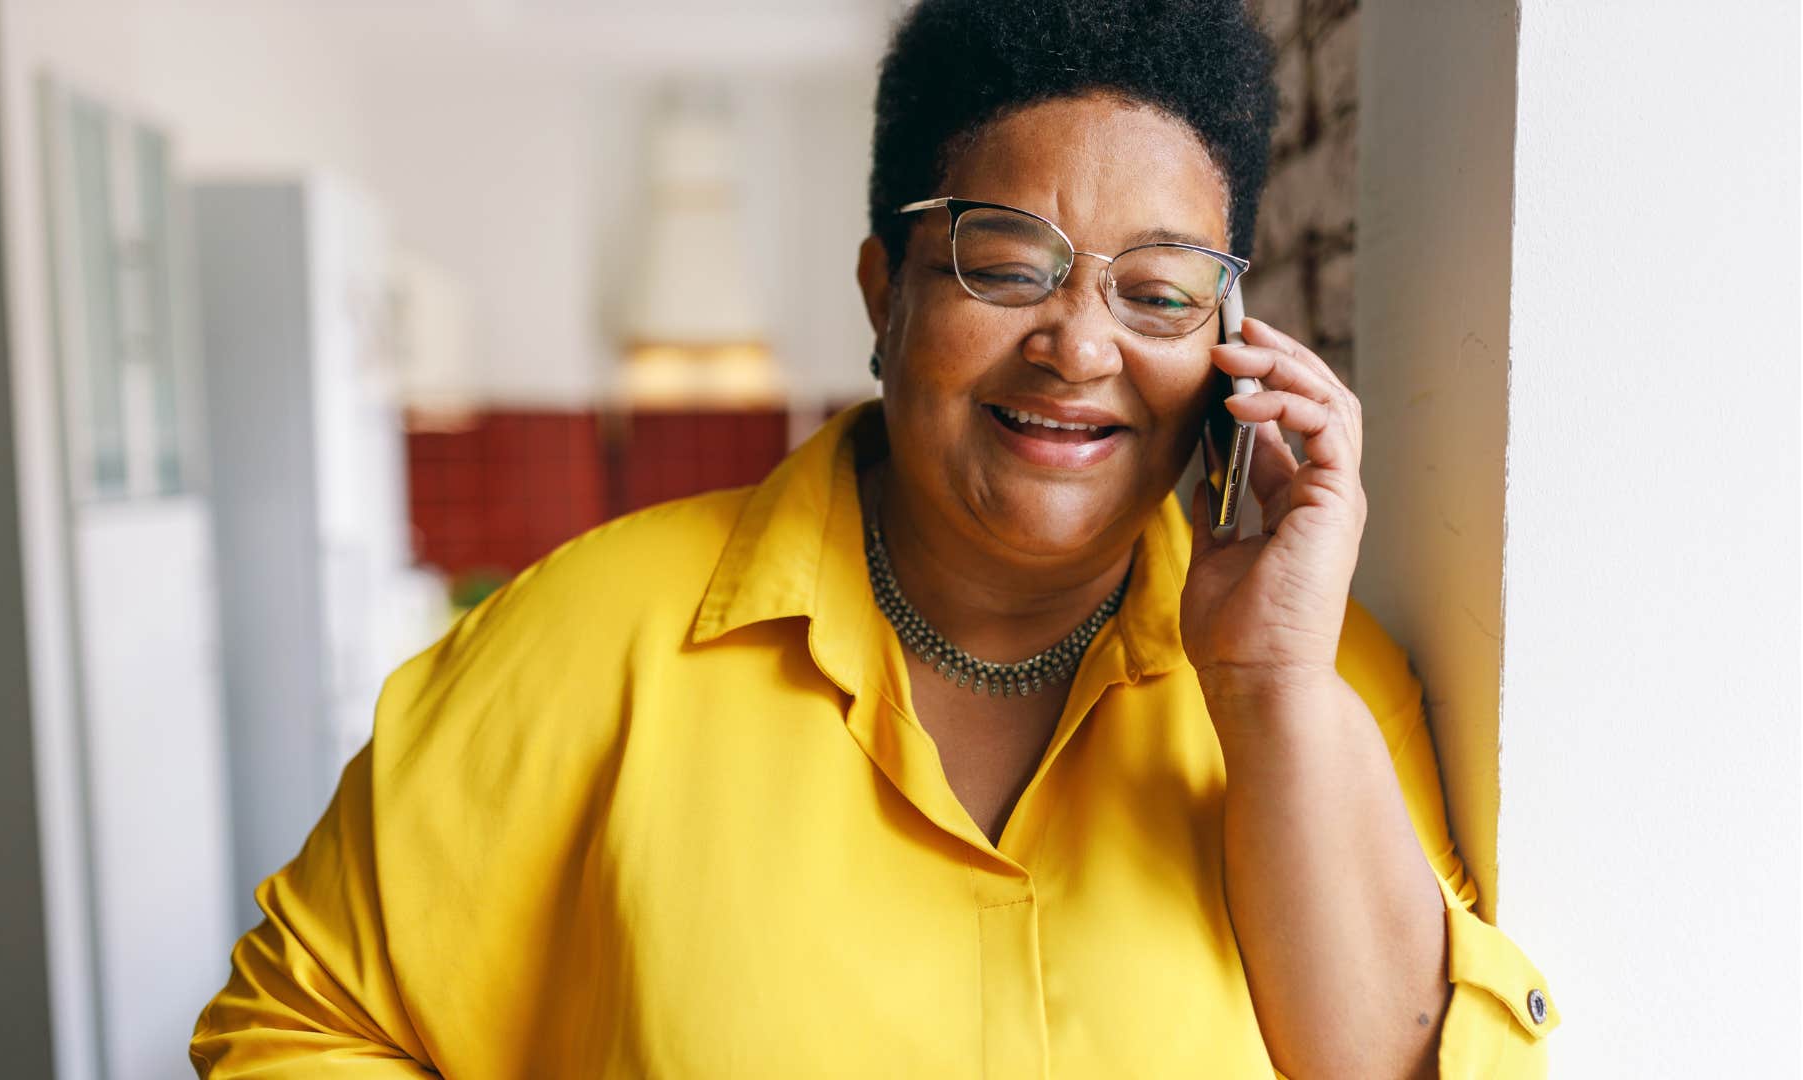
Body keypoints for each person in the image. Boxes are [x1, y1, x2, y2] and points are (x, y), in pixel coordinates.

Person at [192, 0, 1558, 1075]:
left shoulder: (1326, 690)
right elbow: (294, 1025)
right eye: (1006, 262)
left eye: (1156, 291)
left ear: (1228, 348)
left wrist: (1267, 697)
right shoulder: (583, 640)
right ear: (882, 292)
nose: (1080, 343)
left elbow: (1397, 1071)